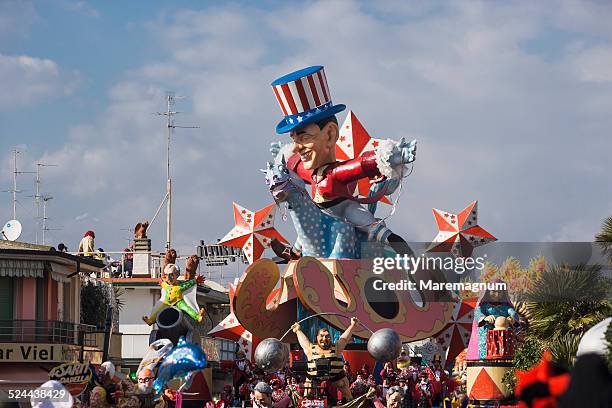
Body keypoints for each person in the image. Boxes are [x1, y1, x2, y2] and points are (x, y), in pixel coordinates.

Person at [269, 66, 417, 259]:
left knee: (366, 221)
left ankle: (393, 241)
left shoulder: (337, 172)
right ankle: (295, 252)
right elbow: (293, 164)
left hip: (343, 207)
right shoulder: (309, 172)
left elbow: (361, 164)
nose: (297, 148)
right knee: (304, 228)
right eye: (294, 140)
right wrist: (284, 154)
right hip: (320, 212)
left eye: (303, 138)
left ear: (330, 134)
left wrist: (389, 156)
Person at [292, 318, 360, 401]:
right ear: (317, 337)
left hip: (336, 375)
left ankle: (349, 401)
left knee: (343, 385)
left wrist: (352, 325)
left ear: (330, 338)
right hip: (314, 376)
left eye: (327, 336)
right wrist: (298, 330)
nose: (324, 339)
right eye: (322, 336)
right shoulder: (311, 349)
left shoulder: (337, 347)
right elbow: (303, 341)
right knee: (308, 393)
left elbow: (344, 338)